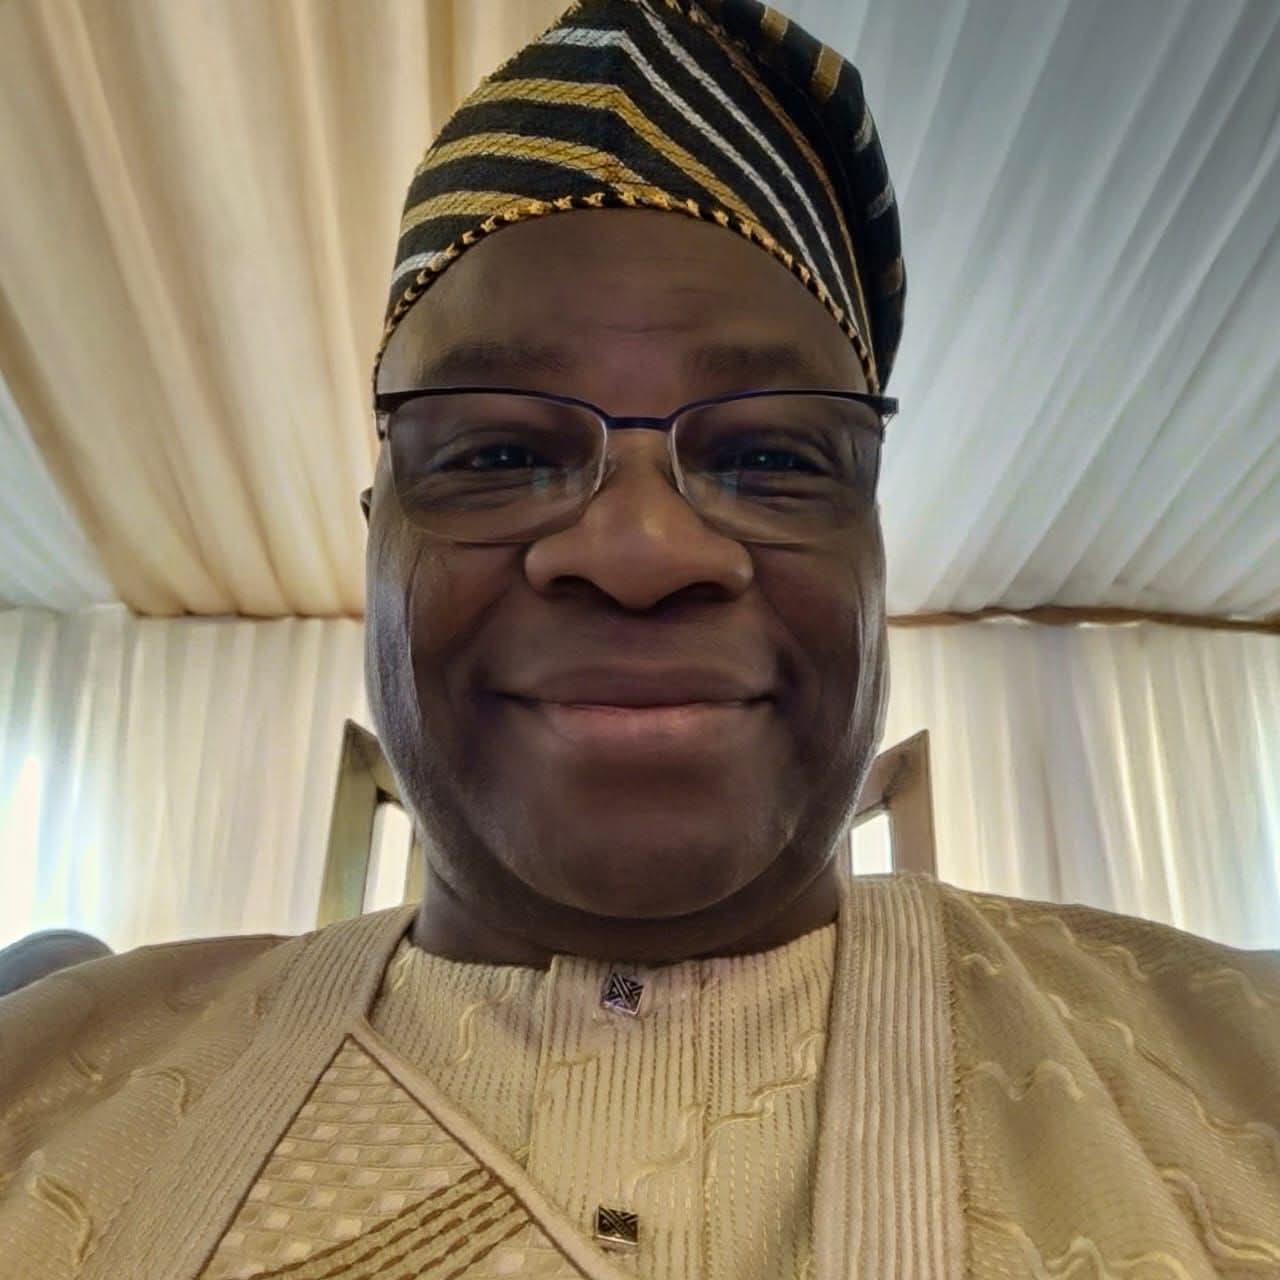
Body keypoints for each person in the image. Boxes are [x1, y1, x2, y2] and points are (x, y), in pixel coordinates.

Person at [2, 1, 1277, 1276]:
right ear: (373, 534)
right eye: (495, 452)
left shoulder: (1241, 1058)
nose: (639, 549)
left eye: (771, 454)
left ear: (873, 550)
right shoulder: (45, 1070)